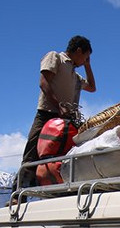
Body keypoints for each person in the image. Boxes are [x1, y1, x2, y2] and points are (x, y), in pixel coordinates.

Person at [18, 35, 96, 189]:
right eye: (85, 57)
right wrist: (59, 105)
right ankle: (19, 192)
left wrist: (87, 65)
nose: (84, 61)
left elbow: (92, 88)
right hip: (47, 114)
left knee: (62, 156)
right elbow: (44, 82)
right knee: (33, 153)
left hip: (67, 121)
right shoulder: (56, 58)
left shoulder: (76, 75)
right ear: (79, 51)